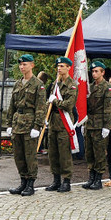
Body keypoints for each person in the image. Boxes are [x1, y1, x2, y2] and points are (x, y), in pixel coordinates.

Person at [6, 54, 46, 197]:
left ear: (32, 65)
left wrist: (37, 126)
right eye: (21, 65)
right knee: (19, 155)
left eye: (25, 64)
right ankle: (23, 180)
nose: (22, 67)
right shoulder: (18, 83)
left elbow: (41, 107)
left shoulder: (38, 84)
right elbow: (12, 105)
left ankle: (30, 183)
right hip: (17, 123)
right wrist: (9, 123)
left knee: (30, 155)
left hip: (30, 123)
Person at [45, 57, 78, 192]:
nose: (59, 69)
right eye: (58, 66)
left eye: (62, 66)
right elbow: (49, 102)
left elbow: (68, 105)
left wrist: (55, 101)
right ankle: (56, 180)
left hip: (64, 123)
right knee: (53, 153)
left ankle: (66, 181)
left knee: (64, 154)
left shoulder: (72, 85)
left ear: (69, 68)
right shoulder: (55, 84)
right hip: (53, 122)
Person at [82, 61, 111, 190]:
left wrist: (107, 126)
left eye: (97, 71)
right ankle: (91, 177)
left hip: (100, 124)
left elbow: (109, 108)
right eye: (93, 71)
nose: (94, 74)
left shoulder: (107, 87)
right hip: (89, 123)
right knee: (89, 152)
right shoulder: (89, 87)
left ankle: (98, 179)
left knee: (99, 153)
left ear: (103, 72)